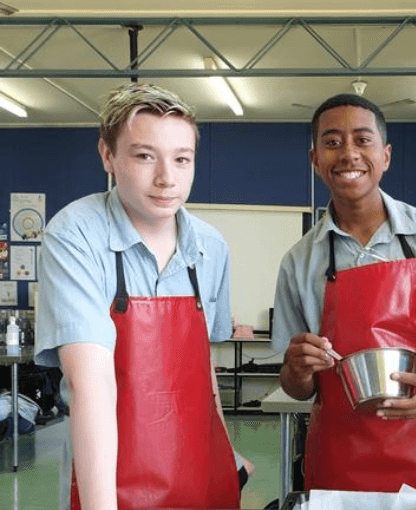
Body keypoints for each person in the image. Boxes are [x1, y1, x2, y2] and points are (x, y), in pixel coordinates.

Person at [35, 83, 248, 510]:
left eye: (182, 159)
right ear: (108, 156)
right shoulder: (76, 234)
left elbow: (202, 369)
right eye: (145, 156)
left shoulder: (210, 246)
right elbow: (89, 384)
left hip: (201, 469)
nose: (167, 178)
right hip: (113, 478)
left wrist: (229, 457)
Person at [272, 93, 416, 510]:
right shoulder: (299, 261)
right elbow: (298, 388)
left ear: (385, 155)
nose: (349, 154)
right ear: (315, 159)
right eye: (332, 142)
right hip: (342, 461)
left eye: (363, 140)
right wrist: (297, 368)